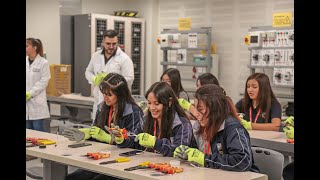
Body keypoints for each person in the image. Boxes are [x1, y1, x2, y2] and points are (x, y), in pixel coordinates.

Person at [63, 73, 143, 180]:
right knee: (72, 178)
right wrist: (87, 133)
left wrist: (110, 139)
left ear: (120, 94)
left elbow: (135, 144)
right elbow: (96, 131)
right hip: (102, 156)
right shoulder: (102, 107)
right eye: (103, 94)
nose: (105, 98)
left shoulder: (133, 111)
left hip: (123, 161)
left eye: (109, 95)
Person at [174, 84, 259, 172]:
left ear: (215, 109)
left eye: (200, 109)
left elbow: (242, 161)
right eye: (195, 108)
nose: (196, 114)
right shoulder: (200, 126)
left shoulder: (233, 128)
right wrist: (186, 153)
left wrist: (204, 159)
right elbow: (197, 152)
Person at [112, 81, 194, 157]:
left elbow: (179, 152)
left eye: (157, 103)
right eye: (149, 103)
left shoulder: (182, 124)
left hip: (175, 169)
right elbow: (135, 140)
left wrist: (155, 143)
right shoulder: (145, 119)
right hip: (149, 166)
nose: (152, 108)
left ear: (169, 102)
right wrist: (123, 140)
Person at [85, 29, 134, 120]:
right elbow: (88, 71)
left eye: (114, 44)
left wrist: (112, 84)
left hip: (116, 104)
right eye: (108, 44)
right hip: (99, 100)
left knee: (112, 129)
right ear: (103, 42)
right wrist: (94, 79)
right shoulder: (96, 56)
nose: (111, 47)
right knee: (97, 128)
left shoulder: (124, 59)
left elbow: (130, 79)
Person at [26, 38, 51, 132]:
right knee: (28, 137)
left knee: (40, 136)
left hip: (37, 105)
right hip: (26, 106)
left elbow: (44, 81)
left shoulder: (43, 63)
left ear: (35, 47)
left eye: (27, 46)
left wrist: (30, 93)